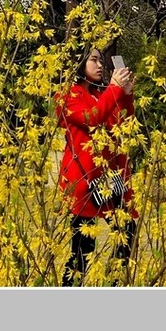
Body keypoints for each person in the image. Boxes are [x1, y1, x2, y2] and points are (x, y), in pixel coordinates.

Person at [56, 45, 138, 286]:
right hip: (84, 183)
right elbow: (92, 118)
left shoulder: (100, 93)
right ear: (78, 62)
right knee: (82, 251)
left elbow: (123, 124)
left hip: (110, 180)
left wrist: (126, 95)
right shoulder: (67, 95)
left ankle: (113, 285)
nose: (100, 65)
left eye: (101, 60)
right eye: (93, 59)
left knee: (126, 231)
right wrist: (114, 89)